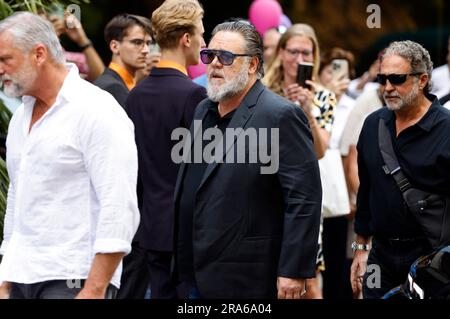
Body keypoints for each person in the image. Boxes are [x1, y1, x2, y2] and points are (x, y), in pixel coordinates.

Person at [173, 20, 322, 299]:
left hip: (249, 276)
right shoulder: (202, 110)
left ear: (252, 65)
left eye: (226, 57)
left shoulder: (280, 115)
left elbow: (304, 199)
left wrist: (294, 270)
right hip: (194, 271)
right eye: (209, 55)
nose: (215, 64)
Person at [0, 12, 139, 299]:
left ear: (39, 54)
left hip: (74, 278)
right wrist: (5, 278)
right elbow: (17, 197)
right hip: (22, 277)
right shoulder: (19, 119)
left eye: (5, 59)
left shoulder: (97, 110)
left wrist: (95, 288)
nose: (0, 69)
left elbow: (119, 203)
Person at [351, 40, 450, 299]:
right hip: (380, 256)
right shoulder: (373, 125)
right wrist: (360, 249)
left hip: (431, 259)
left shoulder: (446, 130)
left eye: (397, 79)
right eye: (382, 79)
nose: (387, 87)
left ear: (422, 80)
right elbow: (366, 193)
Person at [125, 0, 206, 299]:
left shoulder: (136, 96)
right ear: (186, 39)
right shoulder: (195, 95)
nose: (204, 41)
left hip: (149, 227)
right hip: (187, 233)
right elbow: (203, 171)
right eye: (201, 32)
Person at [263, 23, 337, 298]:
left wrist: (306, 109)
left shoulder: (323, 97)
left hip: (301, 193)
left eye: (307, 53)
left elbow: (320, 150)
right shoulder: (262, 91)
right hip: (264, 189)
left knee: (308, 281)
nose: (300, 59)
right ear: (281, 52)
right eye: (294, 51)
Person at [94, 14, 153, 107]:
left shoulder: (117, 83)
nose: (146, 50)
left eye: (148, 43)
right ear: (115, 46)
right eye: (137, 42)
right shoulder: (113, 87)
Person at [43, 9, 105, 81]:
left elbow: (102, 79)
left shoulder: (75, 59)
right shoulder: (31, 59)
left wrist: (82, 40)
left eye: (51, 22)